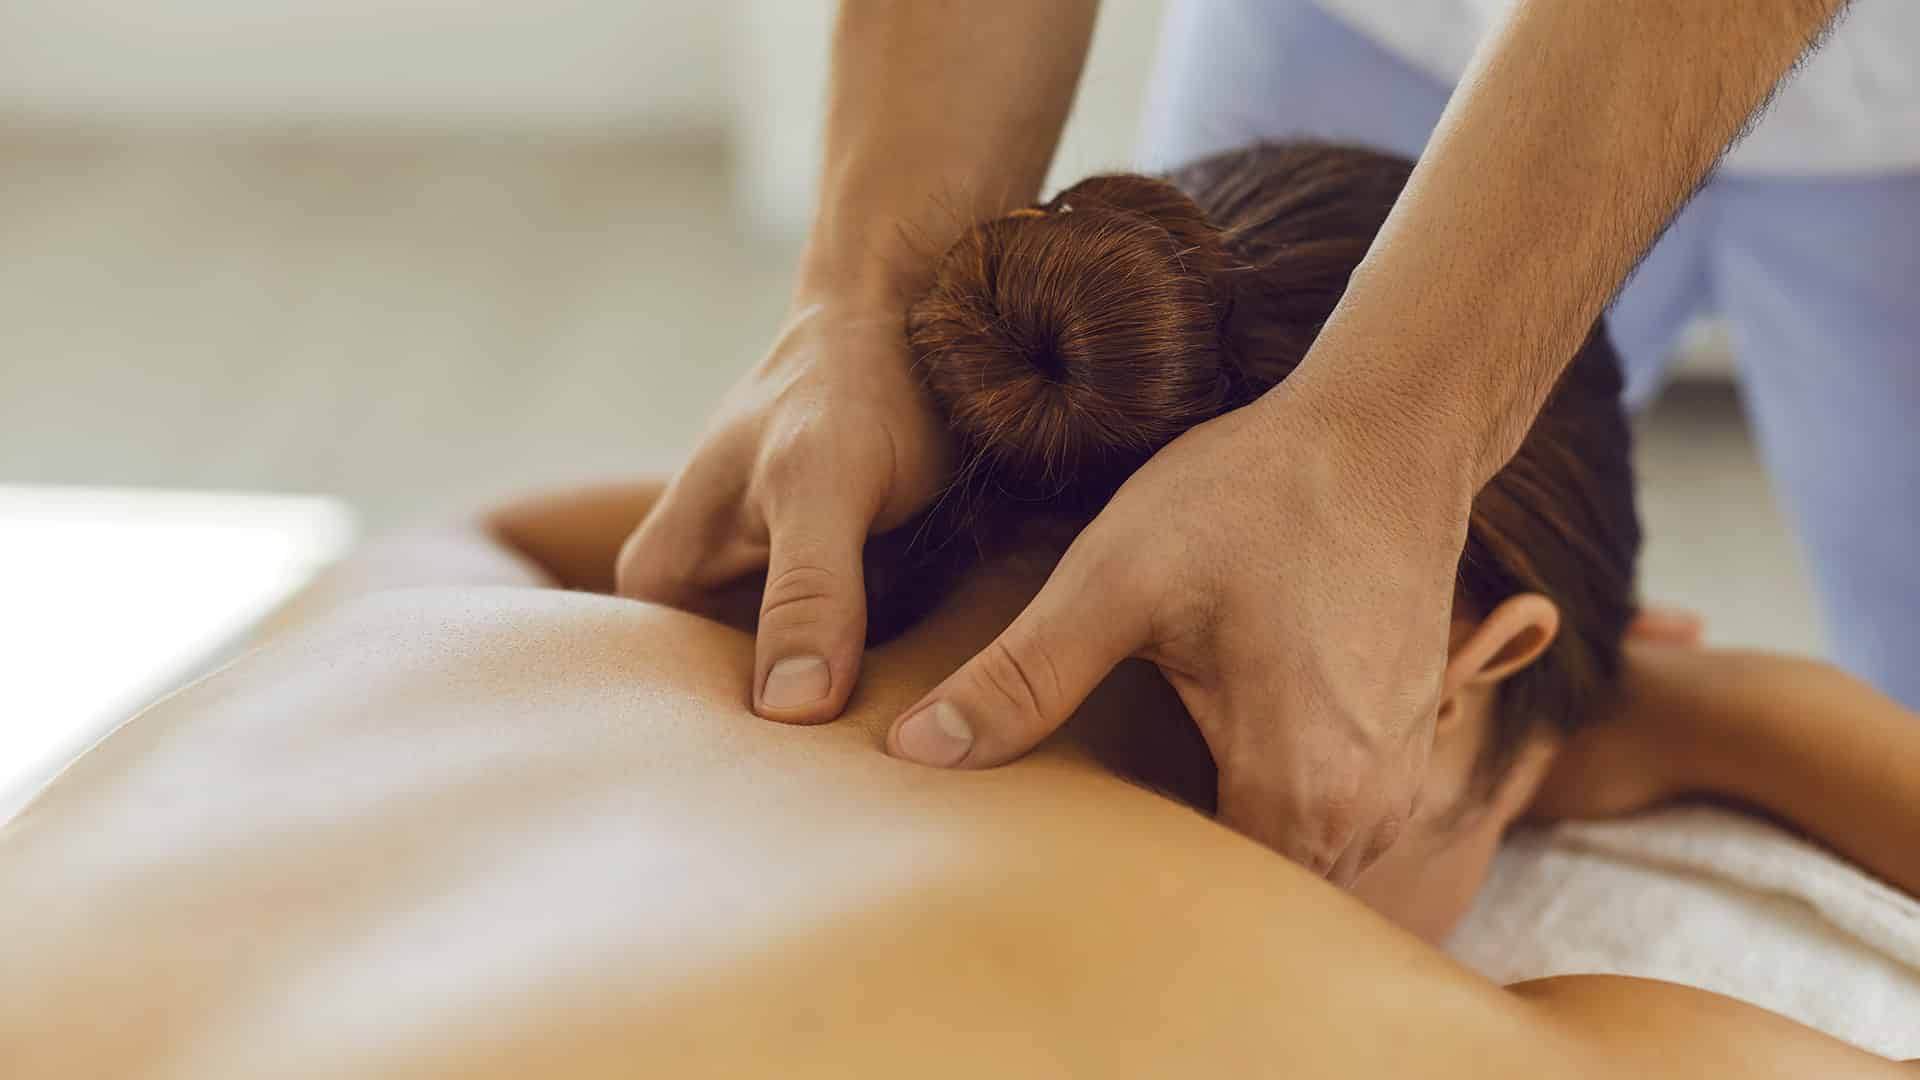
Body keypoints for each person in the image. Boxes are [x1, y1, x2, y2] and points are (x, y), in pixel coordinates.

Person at [10, 139, 1917, 1075]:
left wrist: (888, 551)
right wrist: (1698, 711)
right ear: (1471, 663)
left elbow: (507, 521)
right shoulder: (1359, 1026)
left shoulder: (418, 631)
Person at [611, 0, 1866, 881]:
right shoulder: (1430, 1027)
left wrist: (1389, 446)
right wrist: (1702, 714)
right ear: (1465, 679)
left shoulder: (561, 670)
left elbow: (540, 532)